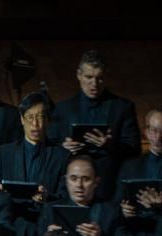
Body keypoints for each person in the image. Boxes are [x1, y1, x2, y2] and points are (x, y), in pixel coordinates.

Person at [48, 50, 140, 200]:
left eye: (99, 78)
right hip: (71, 190)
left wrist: (110, 145)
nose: (94, 84)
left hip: (109, 188)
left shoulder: (122, 108)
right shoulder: (63, 109)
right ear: (78, 75)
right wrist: (63, 147)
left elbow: (134, 149)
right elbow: (50, 147)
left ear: (106, 77)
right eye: (88, 77)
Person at [0, 91, 68, 236]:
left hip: (43, 235)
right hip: (10, 232)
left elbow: (65, 197)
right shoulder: (4, 153)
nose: (35, 124)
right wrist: (0, 193)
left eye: (40, 117)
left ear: (48, 120)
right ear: (21, 119)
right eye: (30, 117)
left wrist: (48, 197)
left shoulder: (61, 156)